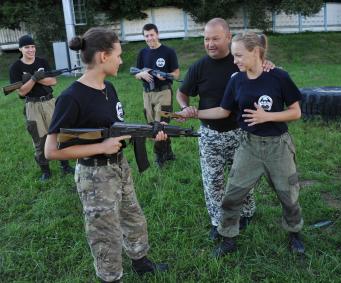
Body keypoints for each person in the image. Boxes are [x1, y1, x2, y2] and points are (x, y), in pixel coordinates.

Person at [44, 28, 168, 283]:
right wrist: (101, 147)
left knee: (133, 216)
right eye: (119, 55)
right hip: (95, 176)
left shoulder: (108, 88)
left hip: (119, 167)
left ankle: (140, 261)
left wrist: (148, 132)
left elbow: (115, 128)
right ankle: (111, 277)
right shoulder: (71, 97)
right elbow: (52, 150)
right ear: (103, 56)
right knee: (105, 233)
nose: (121, 60)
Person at [179, 32, 305, 257]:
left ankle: (294, 234)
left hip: (278, 146)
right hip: (249, 145)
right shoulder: (236, 79)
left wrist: (268, 117)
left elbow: (296, 112)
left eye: (239, 55)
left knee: (289, 195)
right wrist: (193, 113)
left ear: (255, 52)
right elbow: (223, 110)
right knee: (233, 195)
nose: (234, 61)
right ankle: (228, 239)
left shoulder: (279, 77)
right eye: (234, 55)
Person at [176, 18, 260, 240]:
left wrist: (266, 65)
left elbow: (261, 70)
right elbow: (182, 92)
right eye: (206, 39)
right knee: (213, 182)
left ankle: (247, 213)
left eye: (215, 38)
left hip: (239, 132)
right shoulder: (199, 67)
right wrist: (185, 107)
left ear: (228, 37)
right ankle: (217, 222)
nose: (210, 43)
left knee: (242, 178)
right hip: (210, 134)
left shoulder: (239, 62)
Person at [8, 34, 73, 181]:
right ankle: (46, 171)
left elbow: (53, 81)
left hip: (50, 102)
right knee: (39, 139)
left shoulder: (42, 61)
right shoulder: (16, 67)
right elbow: (22, 91)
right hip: (32, 105)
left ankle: (65, 166)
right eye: (26, 47)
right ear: (20, 49)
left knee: (58, 133)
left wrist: (37, 78)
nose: (31, 50)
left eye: (32, 46)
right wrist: (34, 78)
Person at [134, 23, 180, 167]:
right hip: (147, 94)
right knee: (150, 124)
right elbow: (135, 73)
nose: (149, 38)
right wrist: (140, 74)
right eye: (146, 36)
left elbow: (176, 73)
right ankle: (168, 153)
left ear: (157, 34)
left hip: (163, 92)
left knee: (160, 125)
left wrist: (165, 75)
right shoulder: (142, 53)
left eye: (152, 35)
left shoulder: (168, 52)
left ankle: (159, 156)